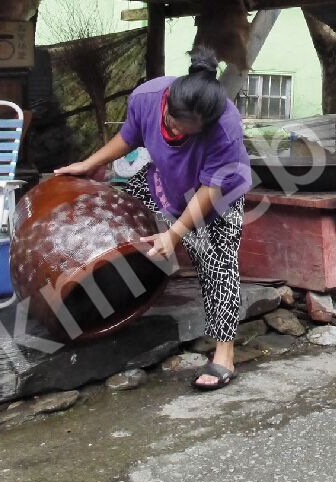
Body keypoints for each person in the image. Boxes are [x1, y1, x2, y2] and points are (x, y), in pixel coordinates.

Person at [57, 47, 250, 391]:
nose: (185, 136)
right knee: (119, 212)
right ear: (168, 109)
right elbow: (128, 136)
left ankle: (224, 353)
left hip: (215, 196)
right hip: (165, 181)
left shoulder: (225, 126)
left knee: (216, 263)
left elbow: (210, 189)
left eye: (194, 133)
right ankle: (106, 302)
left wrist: (175, 233)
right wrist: (89, 164)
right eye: (179, 128)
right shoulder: (147, 97)